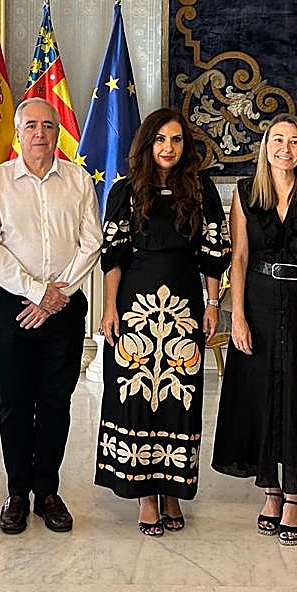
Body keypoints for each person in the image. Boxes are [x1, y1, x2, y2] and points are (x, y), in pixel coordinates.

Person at [212, 114, 297, 547]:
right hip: (259, 303)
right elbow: (239, 259)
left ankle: (294, 498)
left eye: (293, 141)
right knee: (263, 396)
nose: (285, 148)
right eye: (277, 140)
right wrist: (236, 316)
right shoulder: (246, 195)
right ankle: (270, 492)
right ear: (265, 145)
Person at [95, 108, 230, 536]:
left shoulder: (200, 188)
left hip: (185, 307)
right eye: (160, 140)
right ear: (147, 144)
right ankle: (146, 497)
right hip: (134, 307)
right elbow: (112, 257)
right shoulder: (125, 191)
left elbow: (214, 254)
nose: (168, 148)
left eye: (176, 140)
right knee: (135, 399)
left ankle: (172, 490)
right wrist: (108, 308)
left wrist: (212, 304)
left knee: (179, 400)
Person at [0, 98, 102, 535]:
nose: (40, 134)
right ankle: (15, 492)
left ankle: (47, 491)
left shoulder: (79, 180)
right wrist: (35, 292)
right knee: (13, 403)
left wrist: (56, 295)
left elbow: (92, 243)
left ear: (58, 133)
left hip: (65, 306)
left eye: (49, 126)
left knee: (55, 402)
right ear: (17, 133)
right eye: (31, 126)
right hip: (13, 304)